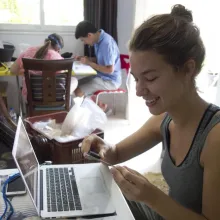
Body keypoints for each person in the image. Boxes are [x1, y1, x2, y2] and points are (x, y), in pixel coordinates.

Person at [81, 4, 220, 220]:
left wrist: (152, 196)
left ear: (188, 69)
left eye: (151, 78)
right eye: (136, 78)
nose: (138, 91)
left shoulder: (215, 137)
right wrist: (102, 148)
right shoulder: (165, 119)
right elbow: (116, 153)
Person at [10, 33, 78, 101]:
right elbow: (61, 77)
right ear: (58, 49)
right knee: (74, 80)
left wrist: (25, 72)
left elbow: (13, 70)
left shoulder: (28, 51)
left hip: (32, 98)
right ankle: (66, 98)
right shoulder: (57, 58)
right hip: (54, 98)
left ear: (45, 41)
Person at [74, 21, 121, 112]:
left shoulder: (106, 43)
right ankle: (102, 107)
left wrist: (89, 63)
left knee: (78, 91)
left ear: (89, 35)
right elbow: (101, 60)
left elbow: (109, 69)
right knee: (75, 85)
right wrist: (85, 59)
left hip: (110, 80)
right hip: (101, 76)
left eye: (83, 40)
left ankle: (96, 112)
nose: (84, 43)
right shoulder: (98, 40)